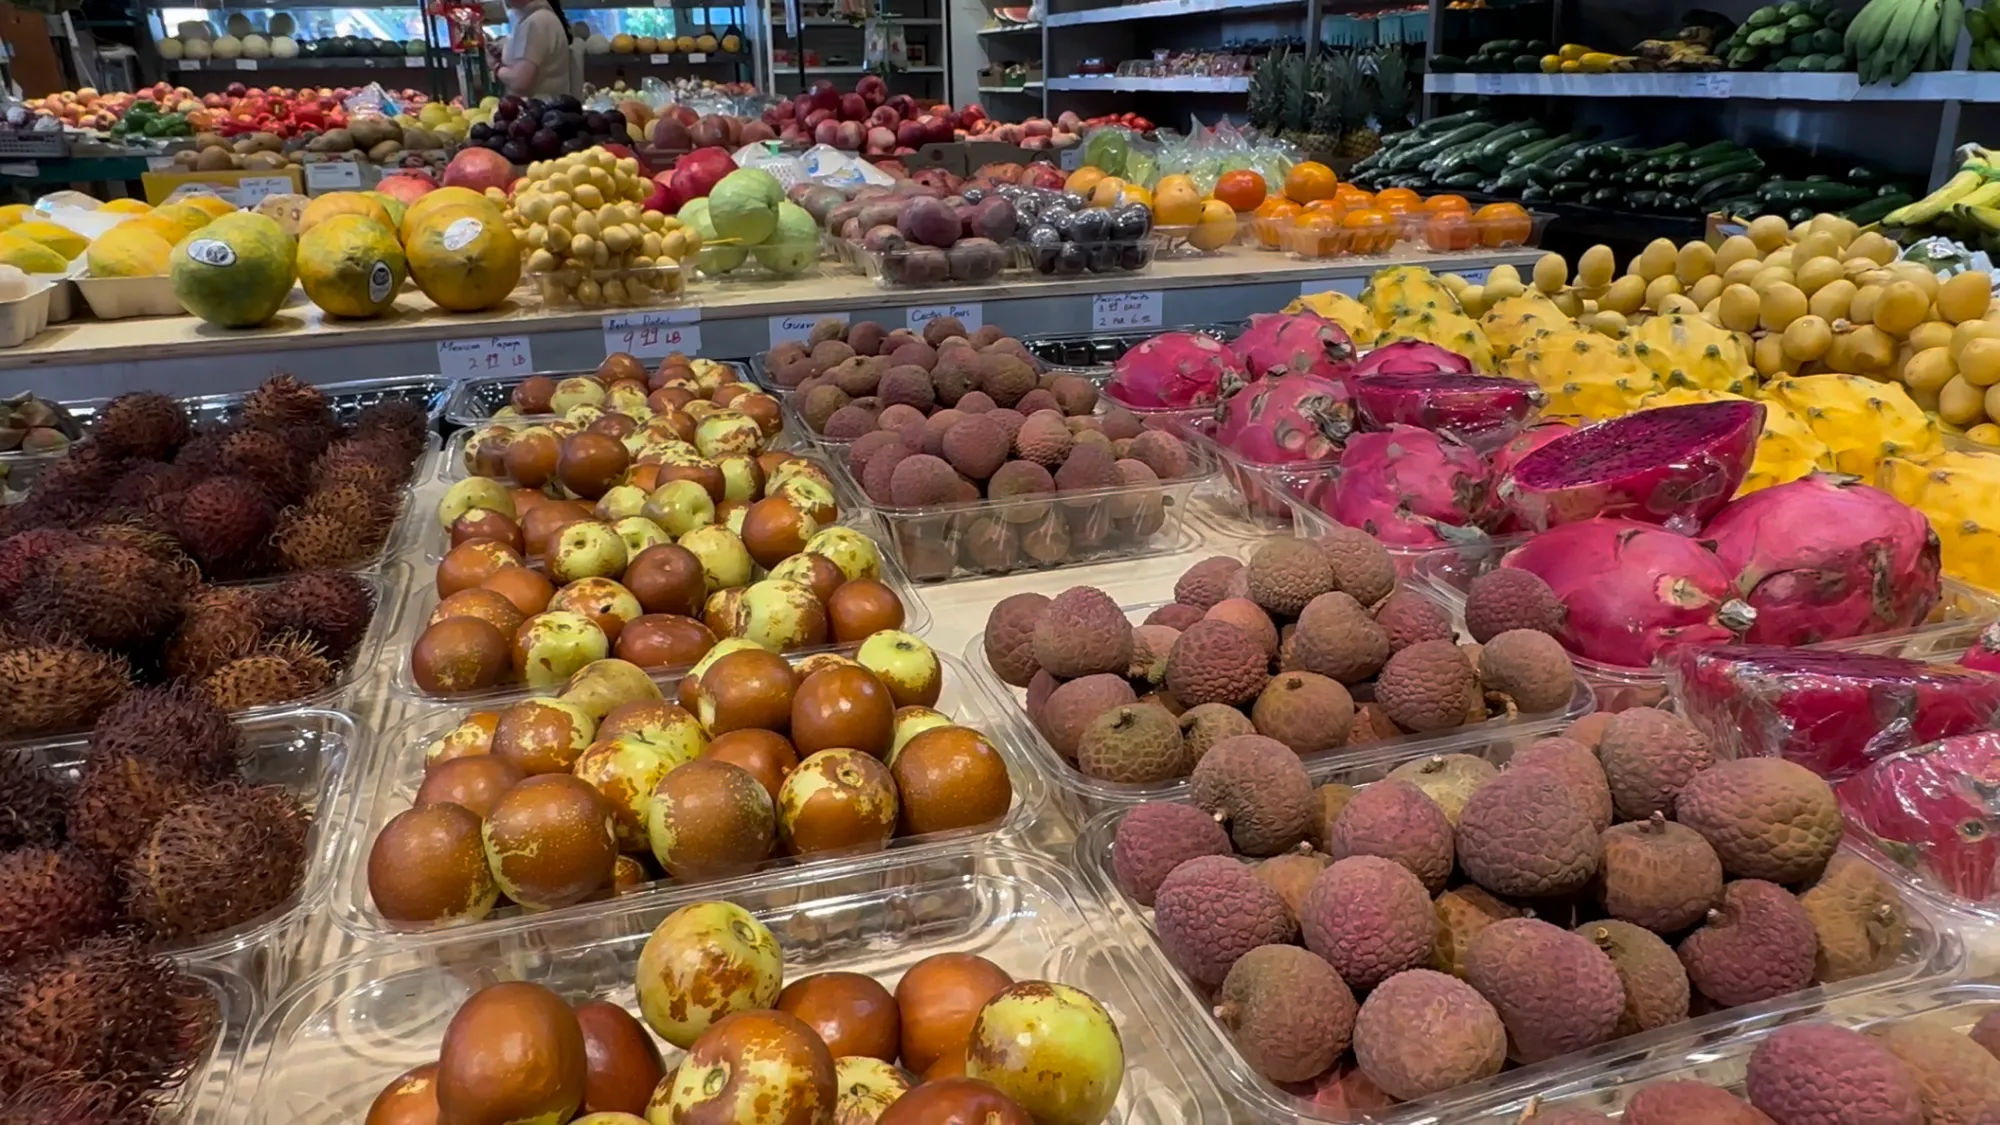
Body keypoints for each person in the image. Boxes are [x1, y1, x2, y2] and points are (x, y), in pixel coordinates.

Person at [493, 0, 576, 98]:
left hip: (539, 109)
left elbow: (520, 81)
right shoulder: (538, 18)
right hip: (545, 108)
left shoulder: (536, 22)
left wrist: (496, 67)